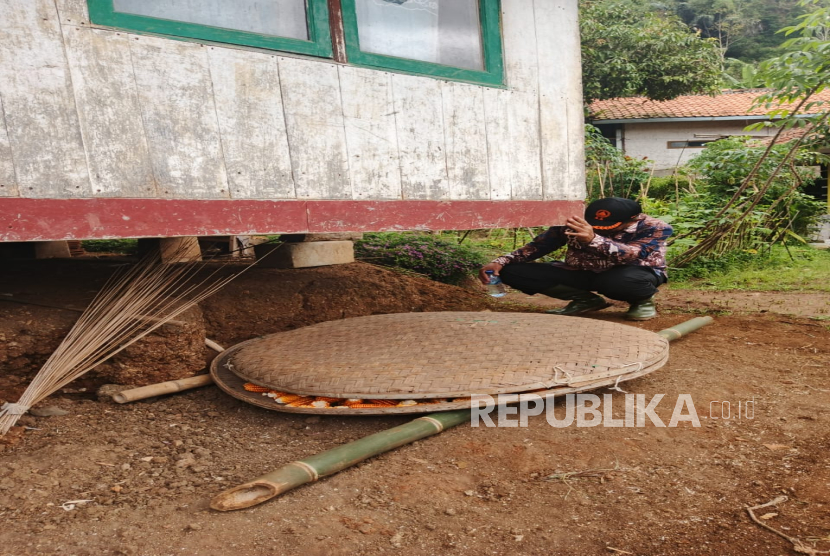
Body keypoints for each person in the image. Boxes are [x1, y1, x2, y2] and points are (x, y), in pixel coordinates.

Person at [479, 197, 672, 320]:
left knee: (620, 281)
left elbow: (633, 255)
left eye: (609, 226)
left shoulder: (655, 227)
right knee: (512, 271)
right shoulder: (575, 222)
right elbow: (539, 246)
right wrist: (500, 261)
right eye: (594, 224)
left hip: (631, 273)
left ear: (633, 219)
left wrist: (594, 240)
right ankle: (586, 300)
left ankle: (642, 301)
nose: (598, 228)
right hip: (581, 272)